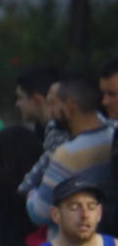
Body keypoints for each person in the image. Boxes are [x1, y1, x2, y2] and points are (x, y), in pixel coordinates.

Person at [26, 76, 113, 229]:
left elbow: (40, 212)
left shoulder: (68, 154)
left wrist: (31, 194)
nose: (50, 112)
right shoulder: (112, 137)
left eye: (53, 104)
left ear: (68, 107)